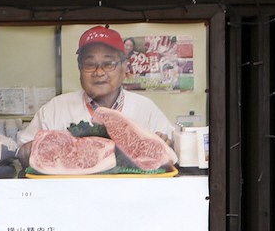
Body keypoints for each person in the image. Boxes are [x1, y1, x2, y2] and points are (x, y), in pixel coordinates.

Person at [16, 26, 175, 145]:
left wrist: (166, 143)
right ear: (80, 69)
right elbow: (24, 146)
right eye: (90, 64)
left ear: (124, 67)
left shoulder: (145, 108)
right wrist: (29, 150)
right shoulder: (55, 109)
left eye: (108, 64)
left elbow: (170, 144)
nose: (99, 72)